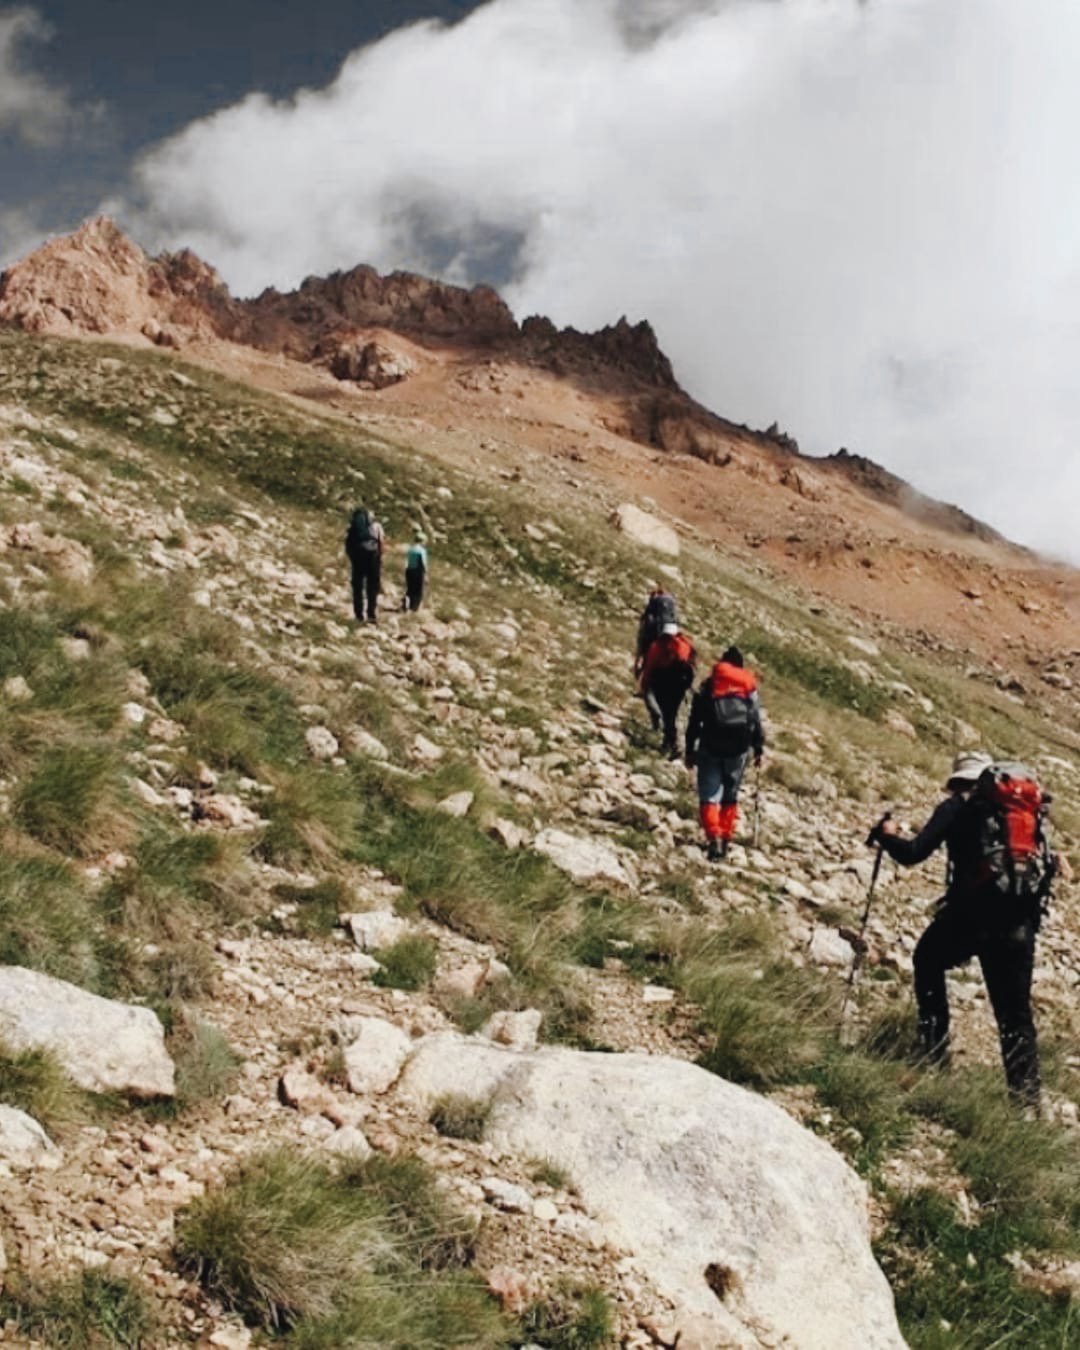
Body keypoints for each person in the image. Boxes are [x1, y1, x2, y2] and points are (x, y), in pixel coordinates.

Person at [870, 751, 1055, 1111]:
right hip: (1019, 923)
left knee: (927, 960)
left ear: (958, 781)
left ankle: (934, 1057)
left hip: (969, 918)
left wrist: (886, 836)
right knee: (1014, 1014)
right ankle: (1026, 1102)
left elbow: (913, 854)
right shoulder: (1027, 814)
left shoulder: (957, 807)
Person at [685, 645, 764, 860]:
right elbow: (755, 719)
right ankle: (726, 838)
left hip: (710, 745)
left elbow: (694, 720)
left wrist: (689, 749)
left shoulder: (710, 685)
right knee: (730, 794)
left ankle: (714, 839)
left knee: (709, 795)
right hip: (739, 749)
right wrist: (758, 747)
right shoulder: (748, 686)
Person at [638, 622, 697, 759]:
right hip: (680, 685)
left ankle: (671, 742)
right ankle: (670, 741)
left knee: (667, 714)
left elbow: (650, 667)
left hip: (663, 684)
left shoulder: (657, 646)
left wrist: (644, 684)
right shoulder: (685, 645)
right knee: (672, 713)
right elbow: (692, 666)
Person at [344, 507, 385, 623]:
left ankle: (358, 615)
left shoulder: (353, 529)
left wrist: (352, 558)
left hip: (357, 560)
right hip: (373, 559)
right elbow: (381, 544)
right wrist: (379, 558)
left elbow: (348, 546)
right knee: (372, 587)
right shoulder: (376, 527)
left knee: (357, 588)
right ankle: (371, 614)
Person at [635, 584, 679, 673]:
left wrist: (638, 659)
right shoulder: (671, 604)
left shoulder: (653, 605)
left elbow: (643, 637)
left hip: (653, 636)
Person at [404, 528, 429, 612]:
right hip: (418, 571)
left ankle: (407, 604)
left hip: (409, 570)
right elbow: (423, 563)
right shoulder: (422, 551)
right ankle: (414, 608)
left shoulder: (411, 549)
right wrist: (426, 573)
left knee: (410, 588)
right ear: (422, 541)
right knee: (418, 591)